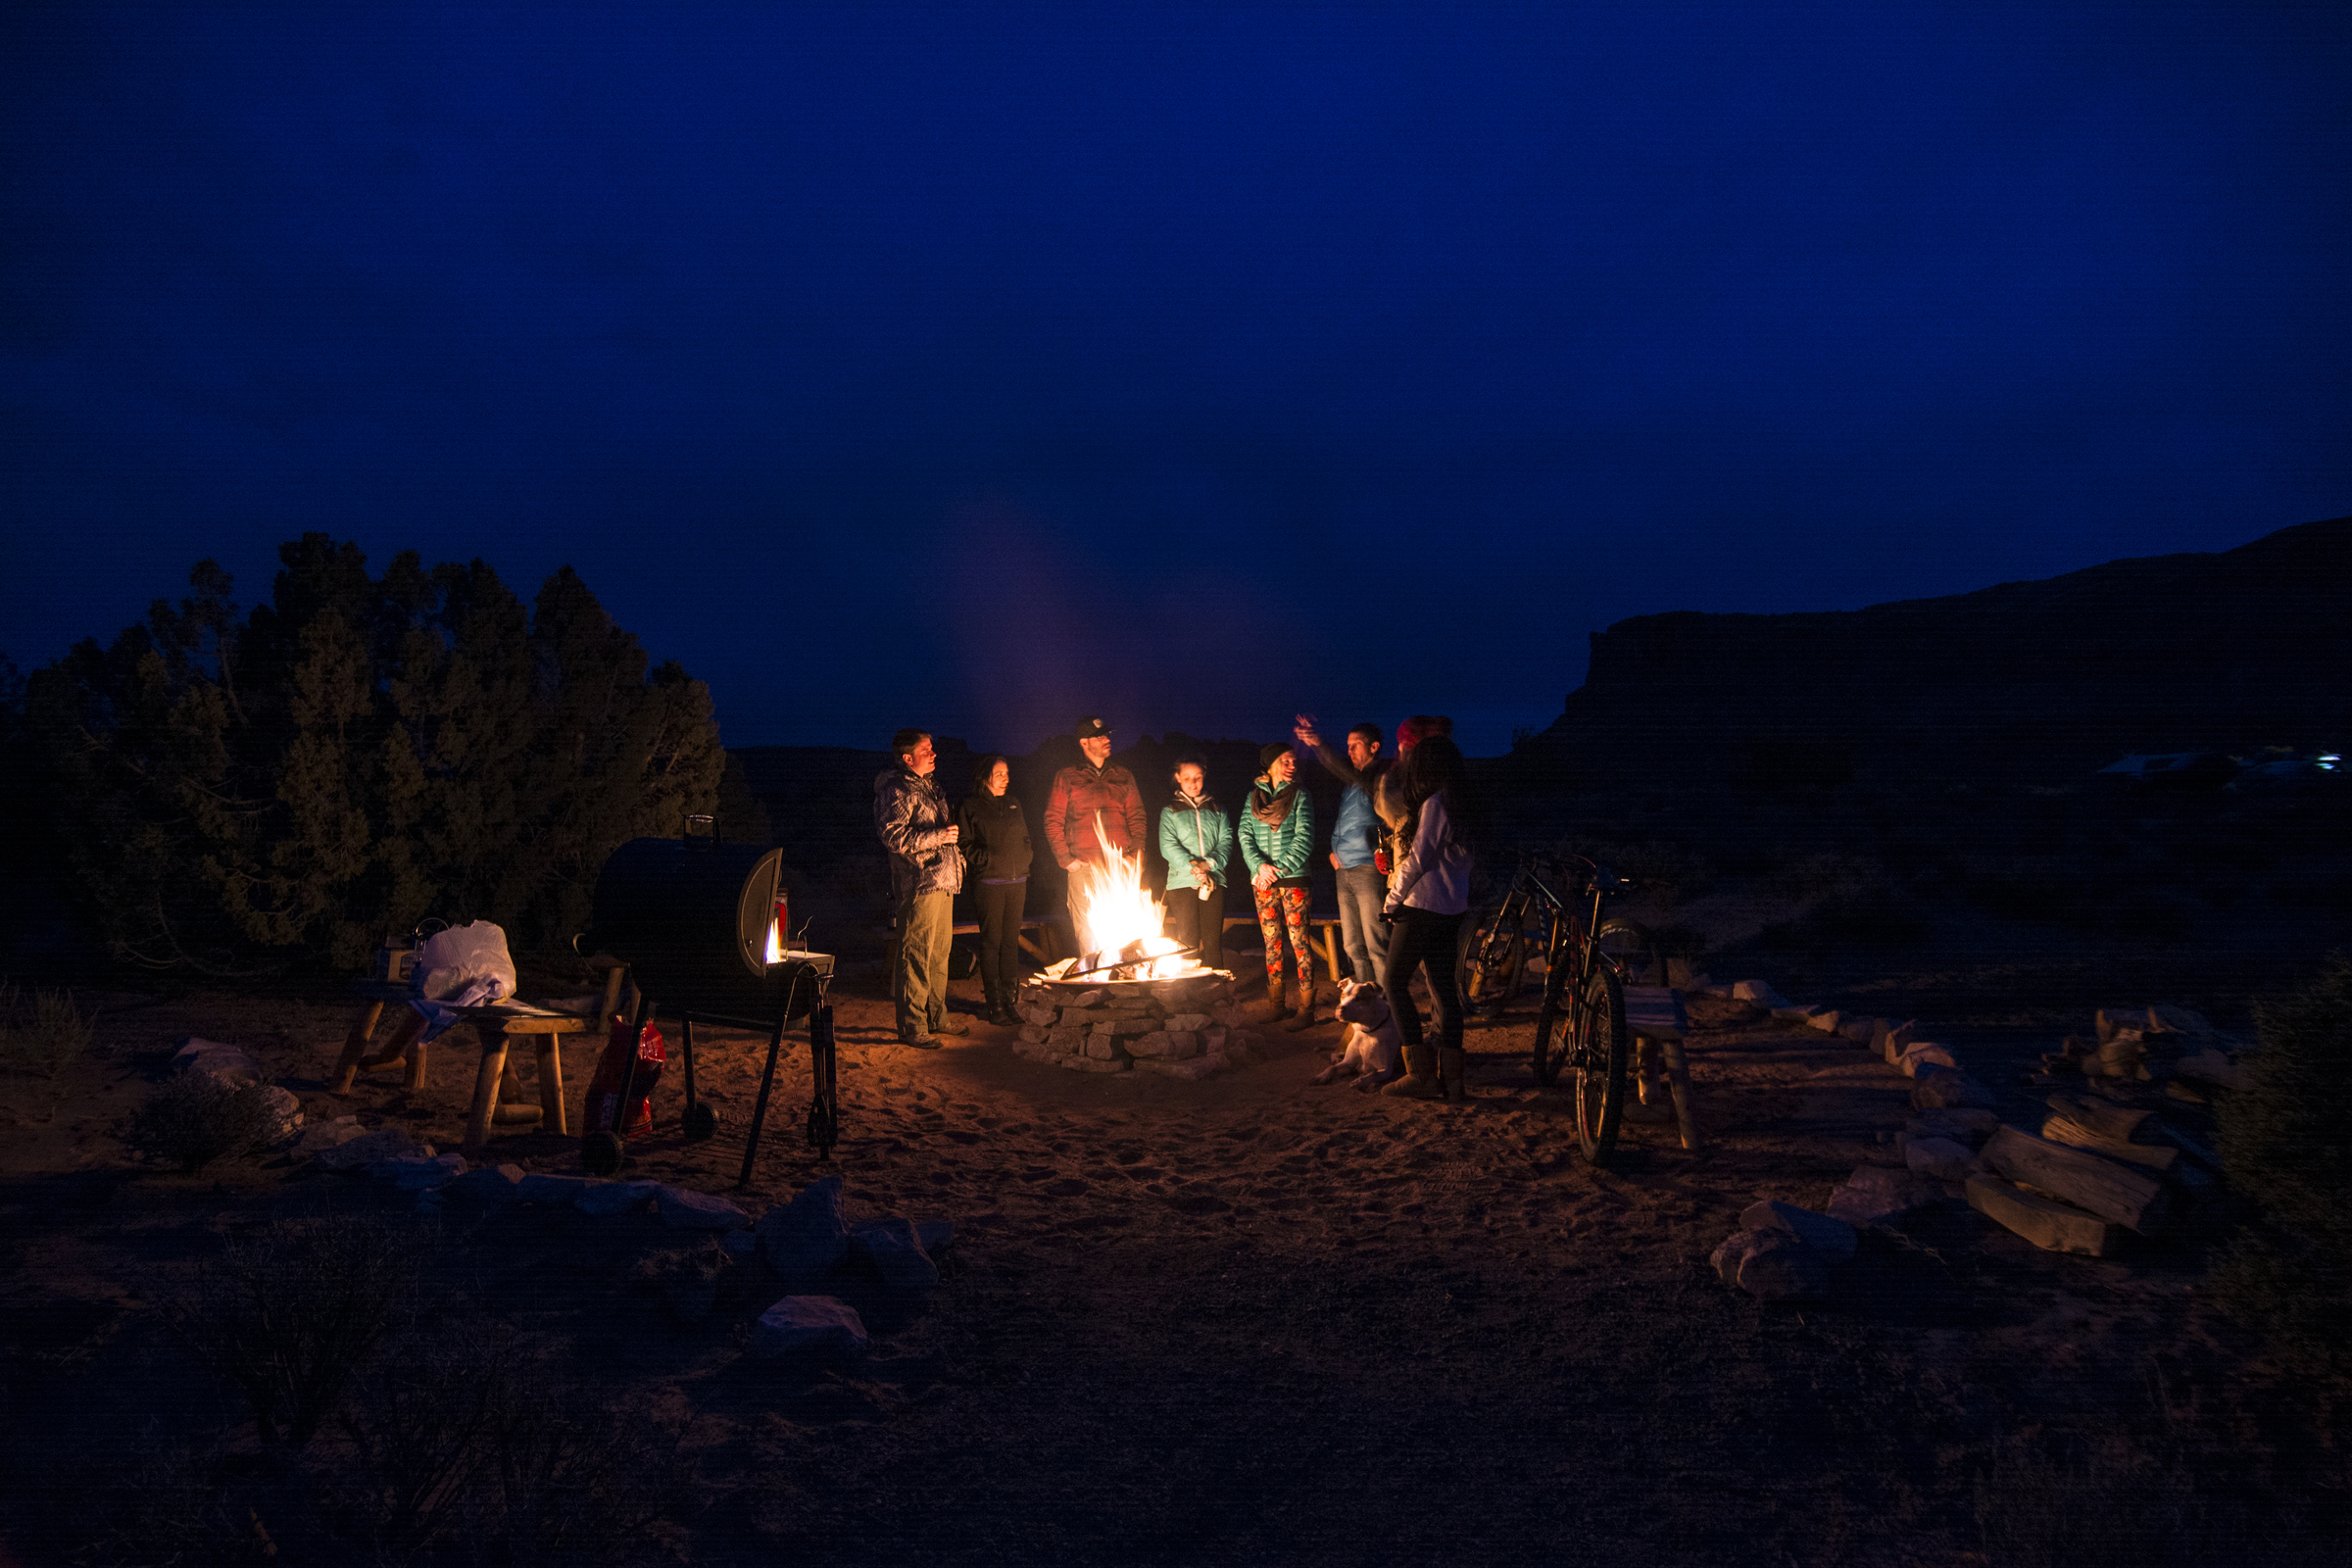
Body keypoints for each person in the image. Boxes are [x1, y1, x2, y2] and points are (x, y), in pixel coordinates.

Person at [1380, 734, 1480, 1103]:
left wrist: (1391, 901)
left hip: (1421, 907)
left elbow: (1418, 859)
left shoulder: (1436, 804)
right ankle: (1453, 1082)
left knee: (1393, 982)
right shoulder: (1466, 805)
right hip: (1453, 908)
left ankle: (1420, 1075)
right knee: (1444, 990)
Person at [874, 728, 965, 1049]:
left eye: (932, 747)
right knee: (916, 955)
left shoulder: (930, 787)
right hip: (919, 883)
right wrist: (940, 836)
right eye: (926, 749)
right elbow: (894, 838)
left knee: (940, 955)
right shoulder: (896, 789)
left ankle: (937, 1018)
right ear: (907, 757)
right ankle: (913, 1027)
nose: (933, 753)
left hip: (942, 881)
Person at [1294, 714, 1390, 989]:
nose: (1348, 751)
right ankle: (1368, 1000)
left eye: (1355, 745)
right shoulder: (1353, 782)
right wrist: (1333, 852)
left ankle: (1388, 1007)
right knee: (1352, 944)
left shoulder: (1380, 778)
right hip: (1344, 869)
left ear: (1374, 747)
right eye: (1347, 746)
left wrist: (1318, 744)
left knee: (1376, 943)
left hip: (1369, 868)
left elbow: (1339, 768)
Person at [1044, 715, 1146, 955]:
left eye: (1107, 735)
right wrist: (1066, 860)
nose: (1106, 739)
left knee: (1123, 929)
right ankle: (1094, 980)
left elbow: (1137, 817)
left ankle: (1123, 978)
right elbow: (1052, 819)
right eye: (1099, 736)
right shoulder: (1067, 776)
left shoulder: (1124, 776)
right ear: (1084, 742)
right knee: (1088, 930)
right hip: (1084, 867)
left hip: (1120, 865)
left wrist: (1135, 854)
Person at [1236, 740, 1319, 1029]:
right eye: (1286, 760)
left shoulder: (1300, 796)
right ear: (1270, 765)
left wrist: (1278, 869)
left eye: (1294, 761)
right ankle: (1277, 1006)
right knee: (1272, 943)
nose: (1292, 765)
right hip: (1262, 880)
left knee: (1299, 942)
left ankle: (1306, 1010)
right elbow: (1244, 836)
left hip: (1293, 878)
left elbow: (1305, 837)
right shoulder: (1253, 799)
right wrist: (1259, 867)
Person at [957, 754, 1034, 1026]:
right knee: (992, 942)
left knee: (1010, 941)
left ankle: (1010, 1002)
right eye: (1000, 774)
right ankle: (994, 1005)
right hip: (989, 883)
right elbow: (965, 843)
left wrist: (1026, 858)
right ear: (985, 776)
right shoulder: (971, 806)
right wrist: (986, 861)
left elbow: (1025, 837)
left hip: (1017, 881)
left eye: (1007, 773)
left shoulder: (1014, 803)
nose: (1006, 779)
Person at [1157, 757, 1231, 973]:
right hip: (1181, 883)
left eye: (1198, 778)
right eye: (1187, 778)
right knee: (1187, 941)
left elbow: (1226, 842)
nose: (1193, 783)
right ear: (1178, 778)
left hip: (1214, 881)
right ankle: (1188, 993)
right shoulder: (1170, 810)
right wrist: (1193, 866)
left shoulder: (1218, 808)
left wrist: (1208, 865)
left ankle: (1218, 989)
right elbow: (1168, 845)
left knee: (1212, 942)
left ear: (1204, 776)